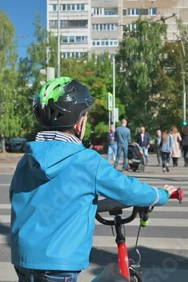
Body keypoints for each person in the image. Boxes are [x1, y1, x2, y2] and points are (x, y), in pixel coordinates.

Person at [9, 77, 177, 282]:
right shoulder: (86, 160)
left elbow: (17, 198)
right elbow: (128, 189)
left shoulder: (27, 160)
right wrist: (161, 194)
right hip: (60, 263)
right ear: (79, 123)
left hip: (23, 259)